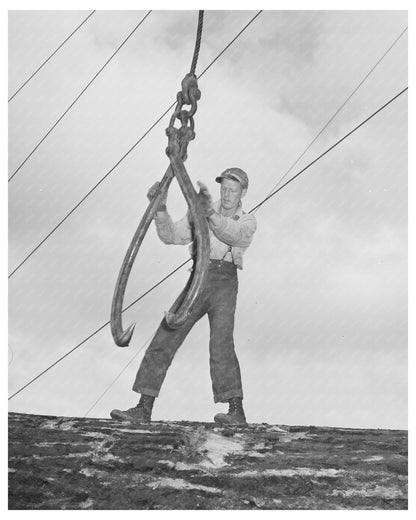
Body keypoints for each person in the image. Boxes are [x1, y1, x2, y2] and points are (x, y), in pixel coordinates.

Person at [110, 167, 257, 425]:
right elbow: (171, 235)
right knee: (166, 336)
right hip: (197, 278)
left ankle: (236, 411)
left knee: (221, 343)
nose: (226, 194)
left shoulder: (247, 221)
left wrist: (208, 213)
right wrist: (160, 209)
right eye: (223, 188)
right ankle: (143, 408)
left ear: (242, 193)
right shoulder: (200, 210)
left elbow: (231, 234)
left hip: (225, 282)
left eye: (232, 190)